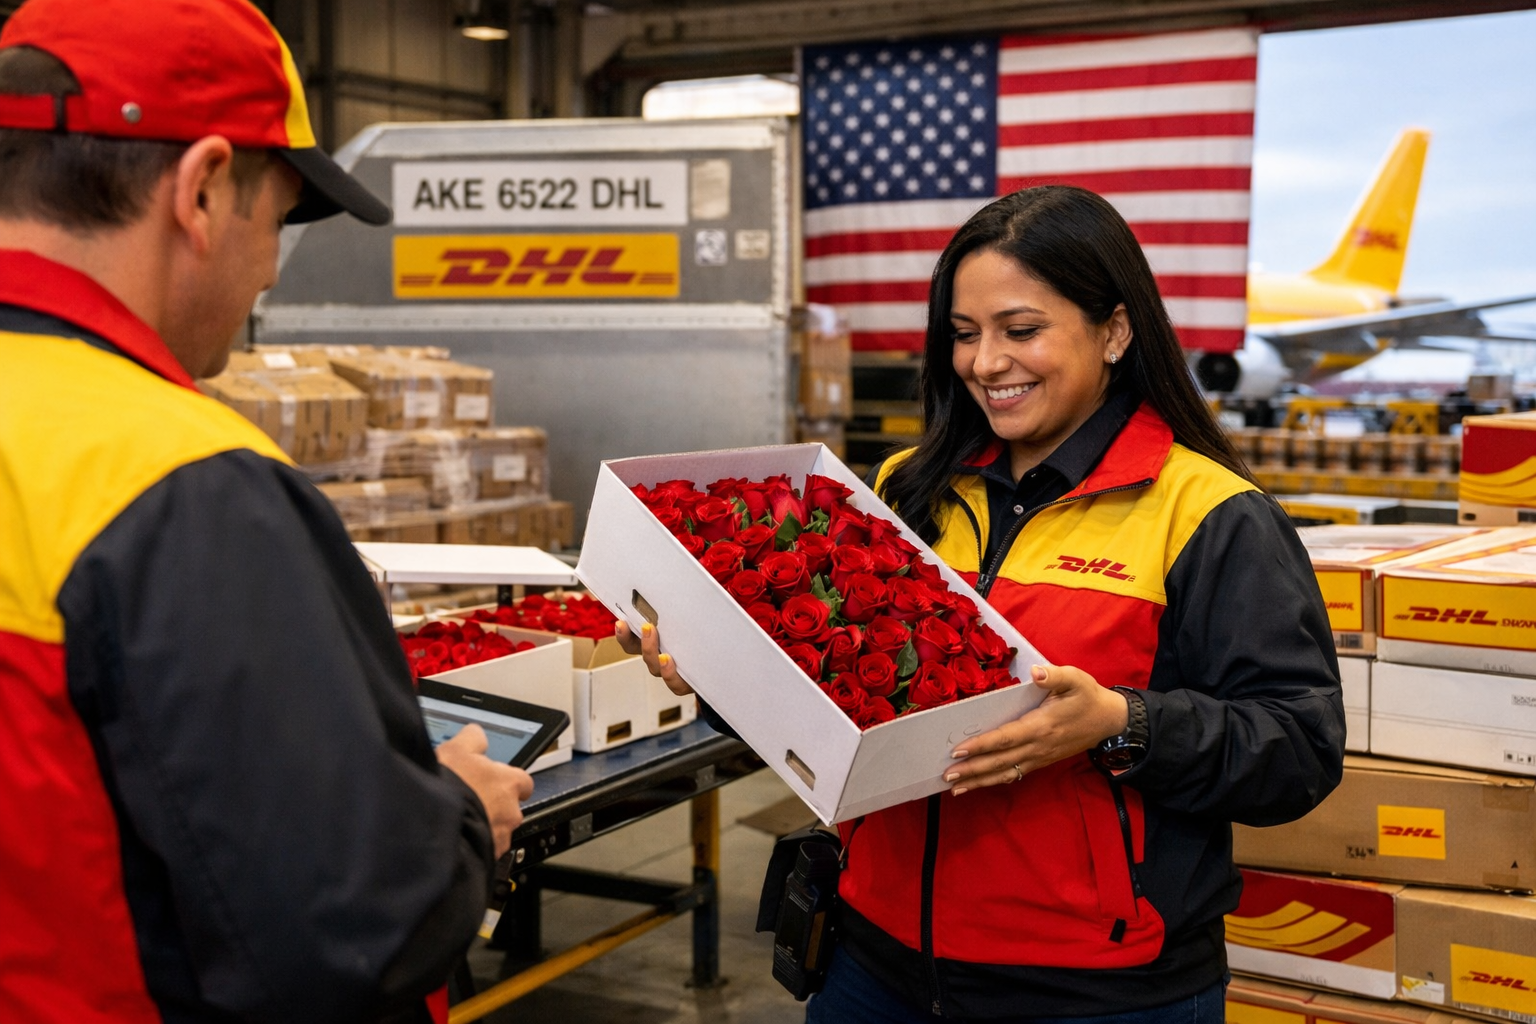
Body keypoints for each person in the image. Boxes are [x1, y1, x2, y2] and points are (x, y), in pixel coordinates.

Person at [621, 185, 1345, 1022]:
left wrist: (1122, 722)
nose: (984, 363)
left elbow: (1298, 749)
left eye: (1021, 330)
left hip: (1092, 990)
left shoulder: (1211, 516)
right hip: (871, 961)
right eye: (964, 335)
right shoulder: (905, 489)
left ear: (1114, 330)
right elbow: (832, 703)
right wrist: (717, 671)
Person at [0, 2, 531, 1021]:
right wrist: (459, 816)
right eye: (279, 217)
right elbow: (352, 923)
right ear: (201, 190)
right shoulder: (180, 484)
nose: (272, 269)